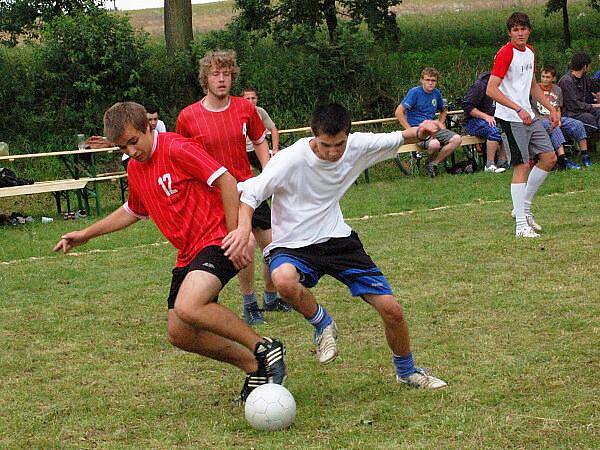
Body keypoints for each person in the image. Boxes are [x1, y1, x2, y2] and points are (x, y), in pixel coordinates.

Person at [53, 101, 286, 402]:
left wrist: (234, 234)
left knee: (189, 306)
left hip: (215, 239)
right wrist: (85, 234)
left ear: (149, 126)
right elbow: (132, 211)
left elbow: (227, 181)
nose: (131, 152)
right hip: (188, 253)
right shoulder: (136, 169)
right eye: (123, 148)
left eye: (133, 142)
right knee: (180, 332)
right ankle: (255, 367)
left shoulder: (176, 148)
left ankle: (264, 348)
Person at [225, 103, 447, 389]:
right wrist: (244, 229)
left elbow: (400, 137)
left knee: (392, 310)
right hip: (293, 244)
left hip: (337, 240)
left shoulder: (356, 147)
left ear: (347, 136)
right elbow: (251, 195)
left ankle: (407, 371)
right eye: (325, 145)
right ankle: (322, 324)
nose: (332, 152)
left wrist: (421, 130)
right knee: (283, 279)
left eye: (339, 144)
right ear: (313, 135)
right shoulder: (289, 160)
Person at [176, 50, 290, 326]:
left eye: (226, 74)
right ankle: (250, 303)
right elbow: (180, 156)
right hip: (215, 195)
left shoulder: (245, 108)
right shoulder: (188, 117)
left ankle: (271, 297)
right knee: (244, 245)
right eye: (215, 74)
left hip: (249, 189)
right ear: (206, 79)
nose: (222, 79)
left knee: (275, 243)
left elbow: (259, 138)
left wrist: (268, 175)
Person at [486, 12, 559, 238]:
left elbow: (533, 86)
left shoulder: (530, 52)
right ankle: (520, 226)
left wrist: (551, 108)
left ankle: (524, 208)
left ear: (529, 30)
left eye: (524, 29)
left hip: (529, 114)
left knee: (549, 158)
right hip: (510, 117)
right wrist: (517, 108)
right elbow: (491, 89)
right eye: (516, 30)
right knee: (521, 166)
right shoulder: (505, 53)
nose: (520, 33)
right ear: (510, 33)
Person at [395, 68, 462, 177]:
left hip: (433, 129)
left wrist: (440, 123)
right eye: (427, 80)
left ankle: (432, 164)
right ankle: (430, 165)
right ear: (422, 80)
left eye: (433, 80)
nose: (430, 83)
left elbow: (443, 110)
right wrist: (409, 130)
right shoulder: (414, 92)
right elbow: (398, 112)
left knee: (457, 139)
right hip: (419, 130)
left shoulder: (436, 93)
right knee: (435, 144)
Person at [534, 65, 591, 168]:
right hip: (540, 119)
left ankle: (585, 155)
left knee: (577, 124)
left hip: (555, 116)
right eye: (543, 76)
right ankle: (563, 159)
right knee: (553, 125)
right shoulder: (534, 89)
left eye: (547, 77)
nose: (544, 79)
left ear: (553, 78)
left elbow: (558, 108)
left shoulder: (557, 90)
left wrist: (558, 119)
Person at [463, 71, 509, 173]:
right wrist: (485, 116)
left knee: (507, 128)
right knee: (493, 131)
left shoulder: (505, 86)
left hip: (494, 118)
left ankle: (502, 162)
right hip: (472, 121)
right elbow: (467, 106)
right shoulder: (480, 85)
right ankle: (489, 165)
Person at [558, 53, 600, 134]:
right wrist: (593, 106)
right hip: (570, 113)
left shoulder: (584, 78)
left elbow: (596, 85)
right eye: (589, 65)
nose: (590, 68)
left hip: (582, 111)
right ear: (584, 66)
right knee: (590, 119)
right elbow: (573, 105)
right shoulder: (566, 81)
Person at [242, 87, 281, 167]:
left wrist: (275, 149)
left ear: (257, 99)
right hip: (242, 151)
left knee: (273, 168)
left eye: (253, 98)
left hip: (258, 149)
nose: (250, 101)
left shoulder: (260, 111)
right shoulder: (237, 114)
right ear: (242, 100)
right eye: (247, 98)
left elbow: (273, 129)